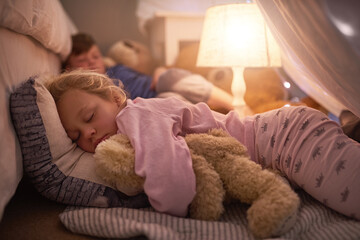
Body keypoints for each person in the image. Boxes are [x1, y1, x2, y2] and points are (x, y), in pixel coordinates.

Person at [46, 70, 360, 220]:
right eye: (74, 136)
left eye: (89, 116)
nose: (87, 133)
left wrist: (165, 210)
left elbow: (174, 183)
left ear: (116, 98)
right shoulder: (128, 126)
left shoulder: (137, 115)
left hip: (283, 139)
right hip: (279, 135)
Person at [63, 33, 234, 113]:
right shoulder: (92, 91)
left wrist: (159, 70)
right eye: (83, 61)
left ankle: (235, 105)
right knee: (170, 101)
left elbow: (150, 68)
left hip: (159, 84)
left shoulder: (117, 68)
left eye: (95, 56)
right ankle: (216, 122)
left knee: (168, 77)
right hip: (153, 104)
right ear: (70, 70)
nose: (92, 62)